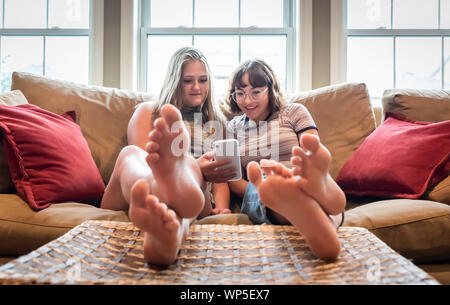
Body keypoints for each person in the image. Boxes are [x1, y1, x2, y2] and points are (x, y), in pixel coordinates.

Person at [100, 47, 234, 265]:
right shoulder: (149, 112)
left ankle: (174, 190)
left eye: (203, 80)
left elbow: (221, 182)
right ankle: (163, 240)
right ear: (174, 81)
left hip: (196, 198)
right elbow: (146, 161)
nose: (197, 87)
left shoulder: (216, 124)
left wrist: (220, 207)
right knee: (132, 153)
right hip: (138, 191)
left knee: (187, 167)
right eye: (188, 81)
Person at [225, 59, 346, 259]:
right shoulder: (233, 127)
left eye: (256, 92)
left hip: (301, 174)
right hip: (262, 182)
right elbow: (233, 179)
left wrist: (304, 173)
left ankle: (311, 196)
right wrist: (255, 188)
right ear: (233, 95)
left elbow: (311, 150)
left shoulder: (294, 112)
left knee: (309, 172)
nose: (247, 101)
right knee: (265, 186)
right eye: (240, 93)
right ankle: (316, 215)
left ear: (271, 90)